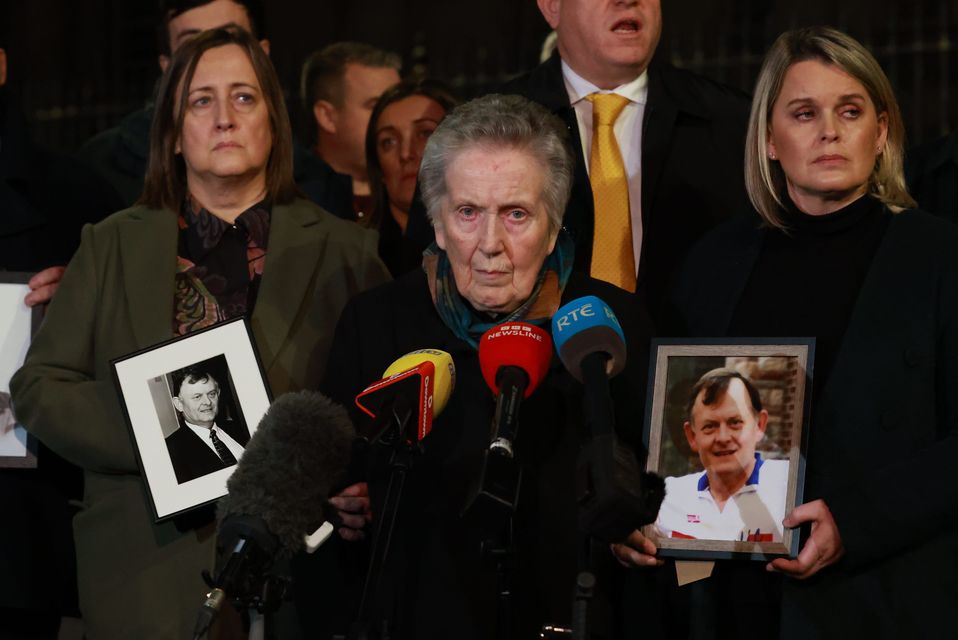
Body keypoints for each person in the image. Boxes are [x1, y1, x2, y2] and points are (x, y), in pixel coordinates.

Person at [11, 27, 389, 639]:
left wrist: (363, 483)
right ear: (174, 132)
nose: (223, 119)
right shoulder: (107, 244)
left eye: (244, 98)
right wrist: (169, 437)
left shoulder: (349, 252)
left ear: (274, 121)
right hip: (140, 576)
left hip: (299, 577)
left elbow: (386, 406)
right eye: (200, 101)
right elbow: (38, 387)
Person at [617, 26, 958, 639]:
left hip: (885, 598)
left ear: (880, 132)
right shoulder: (712, 264)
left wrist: (857, 521)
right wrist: (642, 516)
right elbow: (664, 431)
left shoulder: (941, 257)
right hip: (726, 606)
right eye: (804, 113)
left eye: (849, 111)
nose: (828, 130)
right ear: (770, 139)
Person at [298, 93, 653, 639]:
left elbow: (663, 484)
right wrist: (338, 506)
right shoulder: (377, 325)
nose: (490, 245)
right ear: (437, 224)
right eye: (467, 213)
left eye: (516, 214)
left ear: (554, 225)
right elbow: (336, 487)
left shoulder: (608, 324)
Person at [404, 0, 751, 326]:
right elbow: (425, 275)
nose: (628, 0)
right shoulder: (478, 133)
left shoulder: (735, 123)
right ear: (552, 6)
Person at [655, 368, 788, 543]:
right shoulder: (667, 498)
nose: (723, 438)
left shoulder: (790, 484)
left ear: (759, 426)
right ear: (692, 436)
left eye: (735, 423)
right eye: (710, 426)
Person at [363, 78, 458, 274]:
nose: (406, 153)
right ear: (379, 168)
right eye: (388, 142)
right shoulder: (360, 254)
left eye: (424, 133)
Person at [300, 42, 402, 220]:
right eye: (376, 106)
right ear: (327, 117)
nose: (394, 118)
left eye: (398, 104)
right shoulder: (291, 201)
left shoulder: (420, 193)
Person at [165, 366, 249, 484]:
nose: (208, 402)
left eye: (211, 394)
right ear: (179, 404)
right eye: (197, 397)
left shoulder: (240, 428)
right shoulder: (170, 452)